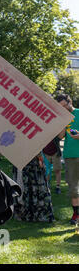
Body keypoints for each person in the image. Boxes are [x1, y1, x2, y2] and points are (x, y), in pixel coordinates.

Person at [56, 94, 79, 225]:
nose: (64, 108)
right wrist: (62, 123)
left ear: (70, 102)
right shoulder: (63, 118)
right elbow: (60, 136)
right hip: (70, 156)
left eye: (65, 105)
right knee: (73, 188)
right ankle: (76, 214)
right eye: (61, 107)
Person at [12, 154, 54, 223]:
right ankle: (25, 213)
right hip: (24, 163)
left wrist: (40, 159)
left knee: (28, 188)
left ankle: (28, 213)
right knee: (23, 188)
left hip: (31, 164)